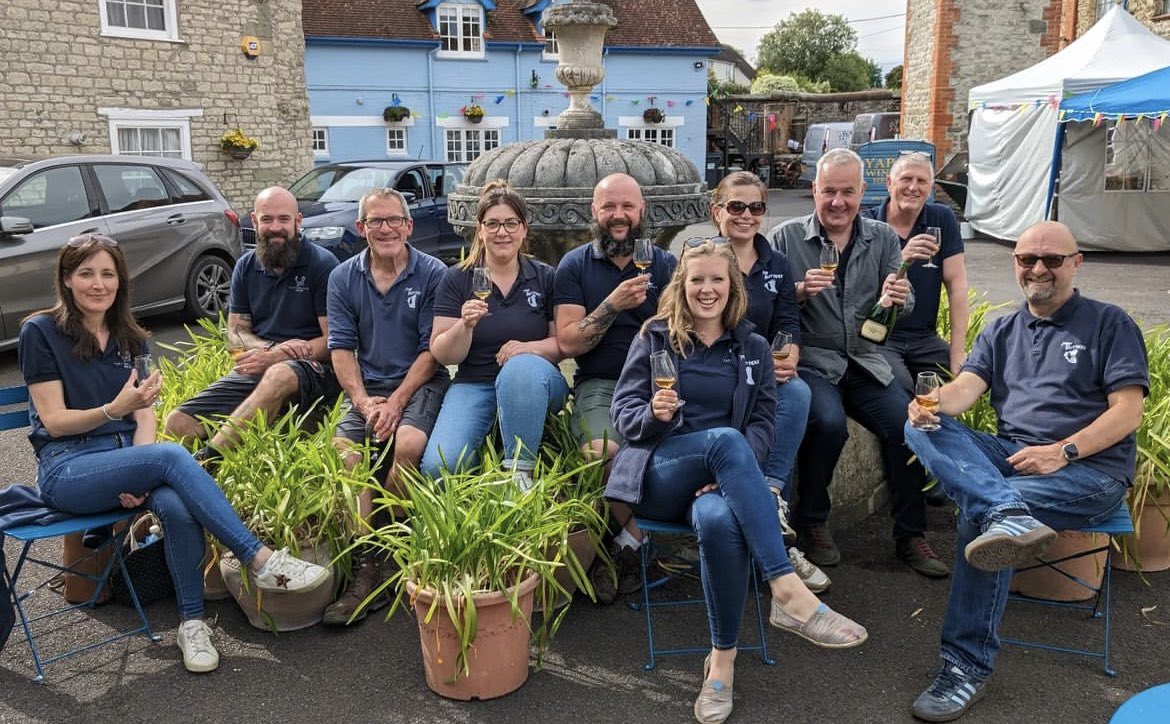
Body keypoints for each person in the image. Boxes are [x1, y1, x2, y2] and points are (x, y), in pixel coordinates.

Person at [18, 234, 330, 673]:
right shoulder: (41, 331)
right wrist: (113, 411)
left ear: (120, 281)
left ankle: (192, 624)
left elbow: (145, 417)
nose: (98, 284)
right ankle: (257, 558)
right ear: (67, 280)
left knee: (177, 505)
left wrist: (134, 472)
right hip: (68, 469)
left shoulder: (129, 337)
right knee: (170, 458)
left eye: (108, 274)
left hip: (125, 462)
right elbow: (53, 421)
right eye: (86, 274)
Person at [606, 239, 867, 724]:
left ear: (733, 286)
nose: (707, 289)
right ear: (682, 285)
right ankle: (785, 589)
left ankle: (720, 665)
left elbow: (765, 423)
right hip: (662, 472)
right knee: (725, 440)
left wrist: (726, 478)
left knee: (719, 518)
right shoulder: (655, 336)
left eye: (717, 280)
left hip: (717, 484)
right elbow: (623, 416)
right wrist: (653, 415)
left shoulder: (752, 346)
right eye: (697, 279)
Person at [904, 221, 1147, 722]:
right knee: (918, 428)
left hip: (1090, 471)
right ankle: (1006, 509)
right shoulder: (1002, 329)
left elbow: (1127, 412)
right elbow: (967, 387)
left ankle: (964, 667)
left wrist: (1064, 451)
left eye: (1052, 260)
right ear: (1015, 263)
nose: (1038, 268)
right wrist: (929, 405)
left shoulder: (1109, 323)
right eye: (1027, 259)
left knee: (981, 516)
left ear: (1076, 263)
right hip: (1013, 457)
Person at [769, 147, 949, 578]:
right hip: (814, 359)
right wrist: (796, 292)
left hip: (868, 360)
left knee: (907, 427)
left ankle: (910, 534)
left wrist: (899, 299)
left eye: (847, 192)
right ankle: (811, 522)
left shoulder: (883, 237)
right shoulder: (786, 237)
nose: (837, 202)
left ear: (862, 192)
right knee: (827, 424)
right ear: (814, 190)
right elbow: (768, 303)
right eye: (829, 191)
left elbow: (897, 310)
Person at [321, 188, 450, 626]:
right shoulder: (342, 277)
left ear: (409, 226)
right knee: (346, 454)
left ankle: (394, 547)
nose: (386, 228)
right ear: (361, 229)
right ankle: (369, 564)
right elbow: (341, 348)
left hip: (420, 383)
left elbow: (433, 351)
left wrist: (395, 402)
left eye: (394, 220)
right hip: (367, 387)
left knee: (409, 445)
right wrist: (362, 401)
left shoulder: (434, 273)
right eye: (376, 221)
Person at [554, 173, 676, 601]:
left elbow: (686, 331)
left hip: (659, 382)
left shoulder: (664, 264)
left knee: (674, 449)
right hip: (602, 384)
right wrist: (611, 305)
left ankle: (624, 547)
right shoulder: (574, 265)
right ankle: (633, 545)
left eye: (627, 206)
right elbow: (568, 341)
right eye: (609, 207)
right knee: (602, 453)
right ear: (595, 212)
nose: (618, 216)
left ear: (642, 211)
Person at [710, 171, 828, 593]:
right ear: (717, 210)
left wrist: (790, 349)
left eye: (755, 207)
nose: (746, 215)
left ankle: (771, 497)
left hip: (760, 369)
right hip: (716, 366)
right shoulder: (701, 256)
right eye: (736, 206)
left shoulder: (776, 261)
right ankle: (770, 531)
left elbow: (788, 319)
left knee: (796, 390)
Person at [164, 187, 339, 462]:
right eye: (267, 220)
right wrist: (269, 351)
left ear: (298, 221)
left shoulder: (322, 265)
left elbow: (333, 341)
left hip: (315, 370)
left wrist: (278, 357)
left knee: (279, 374)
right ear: (255, 222)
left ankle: (208, 462)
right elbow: (235, 333)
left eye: (284, 219)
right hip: (262, 362)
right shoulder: (246, 266)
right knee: (178, 424)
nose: (276, 227)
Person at [419, 181, 567, 486]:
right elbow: (444, 353)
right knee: (439, 467)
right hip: (475, 383)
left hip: (535, 383)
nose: (502, 232)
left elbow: (562, 345)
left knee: (520, 367)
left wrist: (529, 349)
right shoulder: (456, 279)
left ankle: (518, 476)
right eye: (493, 224)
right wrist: (464, 325)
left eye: (511, 223)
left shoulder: (545, 277)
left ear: (525, 229)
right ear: (480, 229)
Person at [862, 152, 970, 393]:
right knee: (901, 388)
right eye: (906, 179)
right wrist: (901, 258)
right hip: (880, 337)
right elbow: (860, 285)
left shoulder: (941, 218)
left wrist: (958, 351)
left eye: (921, 181)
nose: (913, 187)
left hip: (924, 337)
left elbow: (957, 286)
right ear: (890, 183)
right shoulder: (867, 225)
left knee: (964, 382)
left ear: (930, 188)